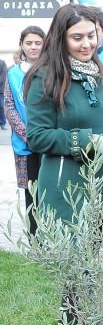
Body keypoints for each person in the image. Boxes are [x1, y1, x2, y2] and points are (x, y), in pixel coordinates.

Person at [25, 3, 103, 325]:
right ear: (61, 37)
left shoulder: (101, 72)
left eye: (92, 35)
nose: (87, 43)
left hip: (99, 185)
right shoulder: (45, 78)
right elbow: (36, 136)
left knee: (83, 269)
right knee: (83, 272)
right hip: (64, 189)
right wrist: (85, 140)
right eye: (78, 37)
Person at [4, 25, 46, 235]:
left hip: (49, 142)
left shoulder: (51, 69)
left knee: (50, 189)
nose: (33, 47)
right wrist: (28, 135)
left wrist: (43, 135)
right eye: (29, 43)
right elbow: (9, 106)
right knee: (32, 191)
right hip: (26, 144)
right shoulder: (13, 73)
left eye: (38, 43)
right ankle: (34, 236)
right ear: (21, 45)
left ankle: (54, 236)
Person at [0, 58, 7, 130]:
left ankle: (2, 123)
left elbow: (3, 76)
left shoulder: (2, 63)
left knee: (1, 107)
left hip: (0, 90)